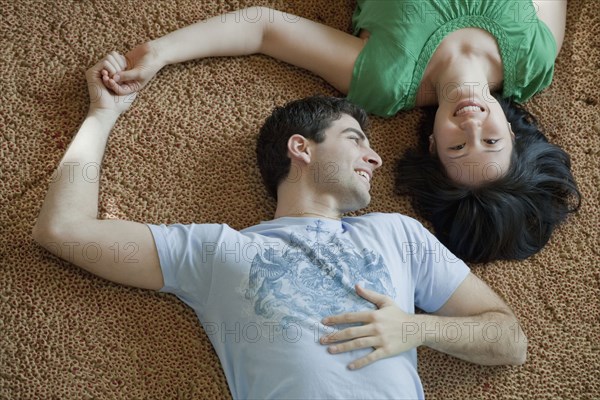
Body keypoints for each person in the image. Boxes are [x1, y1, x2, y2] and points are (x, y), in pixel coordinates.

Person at [33, 55, 527, 399]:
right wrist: (102, 114)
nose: (375, 156)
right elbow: (63, 229)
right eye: (354, 139)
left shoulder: (398, 233)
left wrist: (416, 328)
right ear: (301, 148)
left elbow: (509, 339)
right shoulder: (216, 252)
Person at [98, 0, 581, 263]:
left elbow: (264, 29)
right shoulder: (535, 59)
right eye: (491, 140)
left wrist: (161, 52)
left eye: (459, 144)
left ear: (432, 145)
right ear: (514, 135)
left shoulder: (382, 82)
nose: (472, 122)